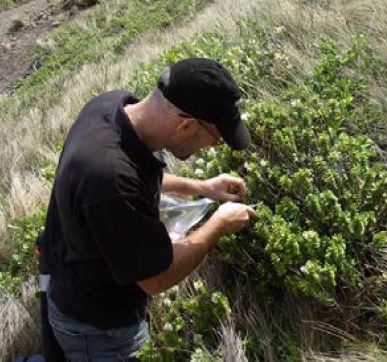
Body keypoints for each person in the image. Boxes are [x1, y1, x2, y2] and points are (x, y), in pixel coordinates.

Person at [37, 57, 256, 361]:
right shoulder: (110, 178)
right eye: (215, 140)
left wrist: (202, 187)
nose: (210, 147)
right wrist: (218, 224)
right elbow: (156, 278)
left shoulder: (112, 106)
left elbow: (137, 176)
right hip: (99, 329)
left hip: (69, 273)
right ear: (187, 124)